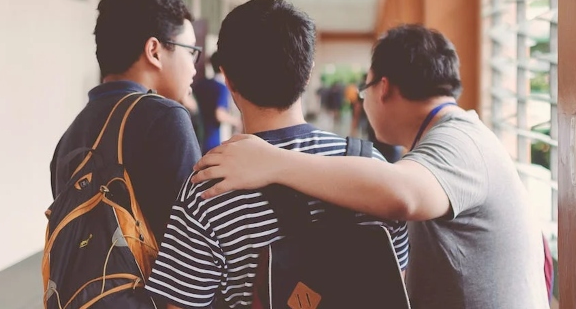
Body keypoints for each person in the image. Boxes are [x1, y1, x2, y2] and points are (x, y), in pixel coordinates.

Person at [192, 25, 550, 309]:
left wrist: (272, 161)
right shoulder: (459, 136)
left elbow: (402, 194)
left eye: (363, 89)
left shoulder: (461, 142)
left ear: (383, 88)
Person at [144, 0, 409, 309]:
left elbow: (179, 305)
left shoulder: (210, 184)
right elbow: (395, 283)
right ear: (308, 73)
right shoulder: (374, 172)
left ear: (227, 77)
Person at [50, 0, 201, 246]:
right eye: (190, 51)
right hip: (153, 287)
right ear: (154, 50)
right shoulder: (166, 117)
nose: (194, 67)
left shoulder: (71, 135)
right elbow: (195, 243)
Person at [193, 51, 241, 153]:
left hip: (196, 136)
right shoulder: (222, 87)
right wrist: (236, 121)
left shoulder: (200, 84)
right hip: (213, 140)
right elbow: (219, 114)